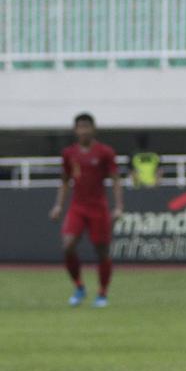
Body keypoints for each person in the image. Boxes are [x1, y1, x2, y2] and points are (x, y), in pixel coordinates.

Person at [50, 112, 122, 308]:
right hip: (77, 207)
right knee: (68, 245)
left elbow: (116, 180)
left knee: (102, 252)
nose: (83, 131)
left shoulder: (105, 152)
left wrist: (119, 207)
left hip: (98, 207)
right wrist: (58, 205)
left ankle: (102, 293)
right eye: (80, 127)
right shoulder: (69, 154)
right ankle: (79, 286)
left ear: (93, 129)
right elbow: (65, 181)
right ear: (75, 130)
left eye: (86, 127)